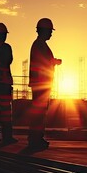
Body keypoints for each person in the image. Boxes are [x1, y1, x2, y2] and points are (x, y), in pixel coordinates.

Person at [27, 18, 62, 150]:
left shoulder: (40, 44)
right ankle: (35, 139)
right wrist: (54, 61)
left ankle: (36, 138)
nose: (51, 34)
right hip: (40, 84)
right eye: (50, 31)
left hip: (41, 84)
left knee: (40, 112)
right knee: (39, 112)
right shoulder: (40, 45)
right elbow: (44, 62)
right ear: (44, 30)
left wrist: (53, 61)